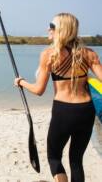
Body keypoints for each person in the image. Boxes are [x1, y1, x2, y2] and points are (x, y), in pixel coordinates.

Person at [14, 13, 102, 182]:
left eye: (51, 26)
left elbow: (39, 90)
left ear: (62, 30)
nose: (48, 29)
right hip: (86, 111)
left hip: (64, 111)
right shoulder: (89, 54)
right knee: (76, 161)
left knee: (54, 156)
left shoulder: (49, 54)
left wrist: (21, 82)